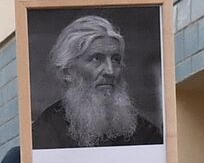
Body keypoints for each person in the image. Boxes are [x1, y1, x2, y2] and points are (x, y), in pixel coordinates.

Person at [31, 14, 163, 149]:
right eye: (96, 59)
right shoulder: (43, 136)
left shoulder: (146, 134)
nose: (110, 71)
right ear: (68, 73)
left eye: (115, 59)